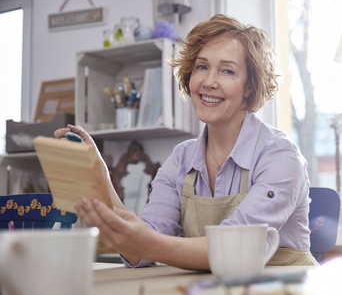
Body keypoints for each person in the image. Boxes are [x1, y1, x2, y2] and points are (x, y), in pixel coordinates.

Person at [54, 14, 317, 269]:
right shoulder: (180, 159)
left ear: (250, 87)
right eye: (202, 67)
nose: (209, 81)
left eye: (227, 71)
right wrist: (99, 176)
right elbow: (137, 251)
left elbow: (235, 249)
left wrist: (148, 244)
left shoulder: (281, 157)